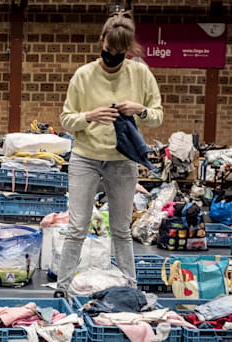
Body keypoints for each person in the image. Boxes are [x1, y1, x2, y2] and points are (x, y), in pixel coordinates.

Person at [56, 11, 163, 299]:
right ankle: (62, 289)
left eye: (119, 51)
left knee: (121, 230)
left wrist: (139, 109)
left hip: (123, 160)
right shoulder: (84, 75)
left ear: (127, 49)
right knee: (77, 228)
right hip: (85, 157)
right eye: (108, 49)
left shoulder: (140, 73)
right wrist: (89, 116)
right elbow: (66, 120)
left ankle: (132, 289)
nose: (112, 55)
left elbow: (156, 116)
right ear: (101, 41)